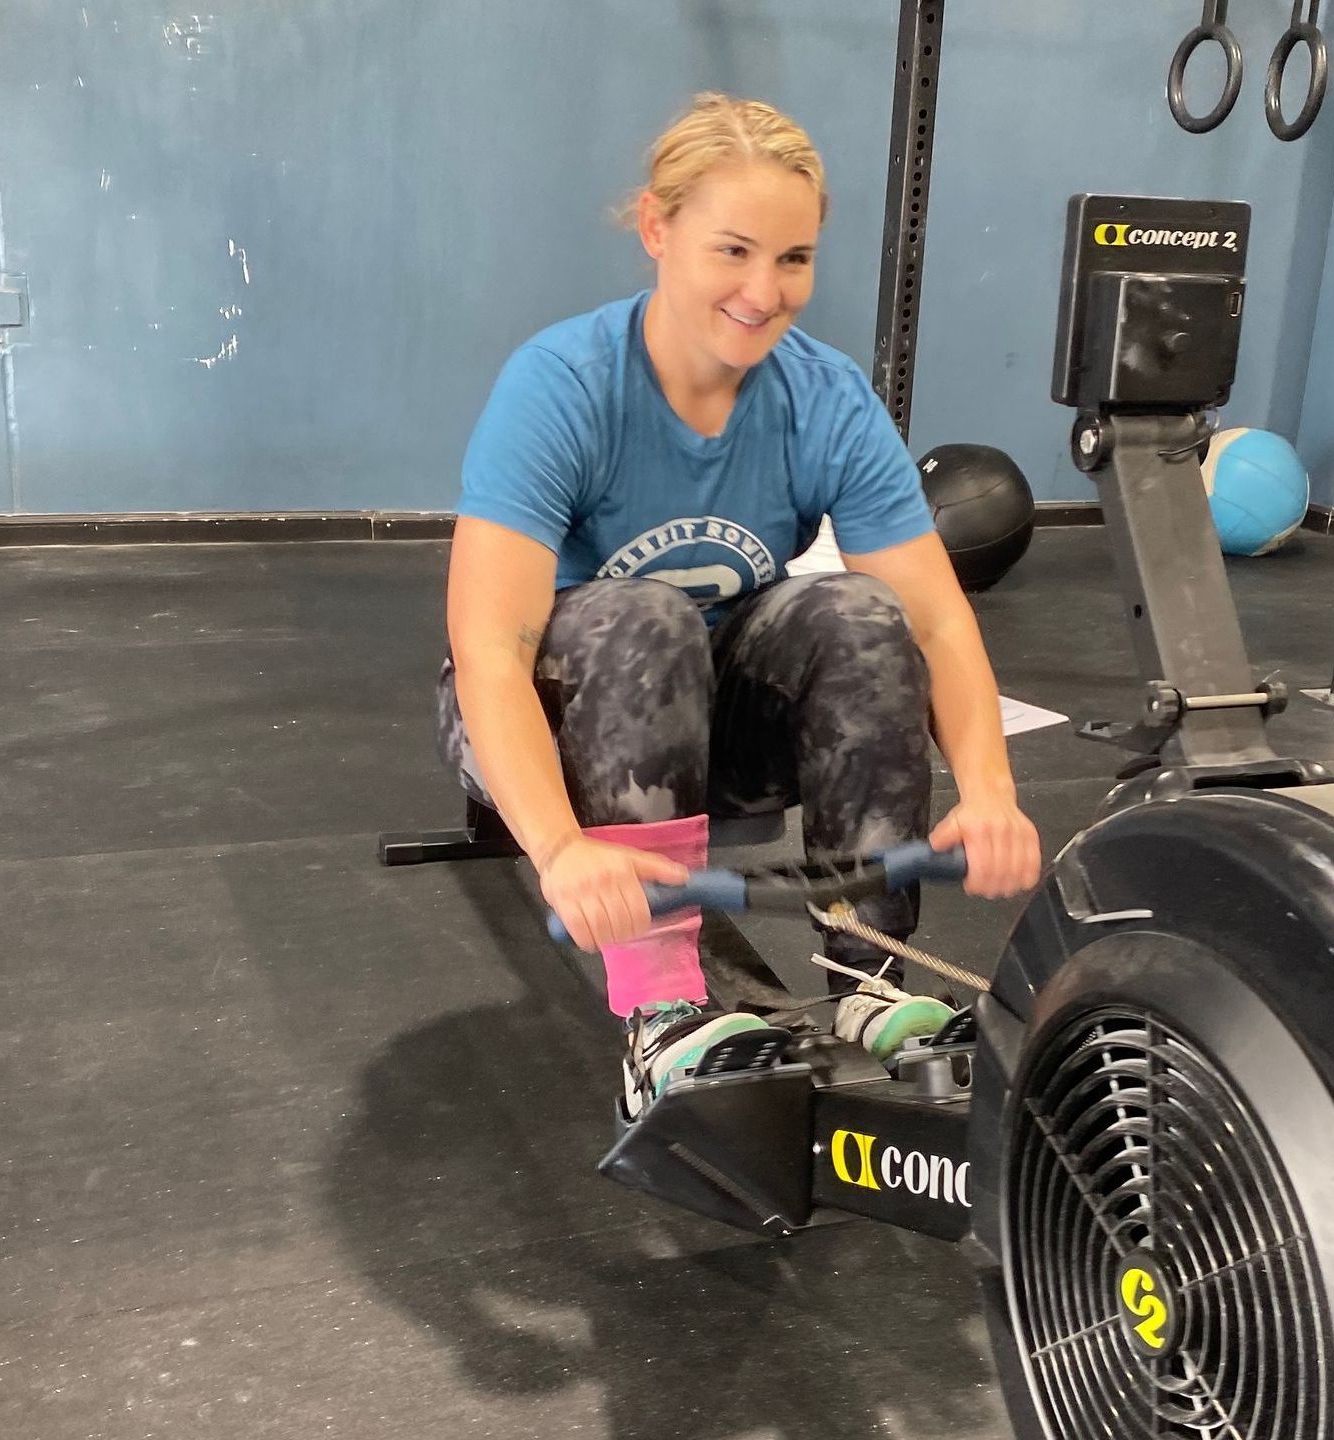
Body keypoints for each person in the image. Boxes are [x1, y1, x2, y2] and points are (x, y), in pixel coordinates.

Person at [441, 93, 1040, 1117]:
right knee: (646, 618)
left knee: (859, 613)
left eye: (794, 259)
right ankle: (665, 1008)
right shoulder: (562, 385)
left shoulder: (825, 397)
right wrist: (557, 848)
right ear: (657, 229)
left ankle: (870, 973)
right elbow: (492, 648)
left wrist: (989, 790)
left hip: (710, 721)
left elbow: (937, 618)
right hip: (546, 719)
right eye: (733, 251)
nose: (764, 292)